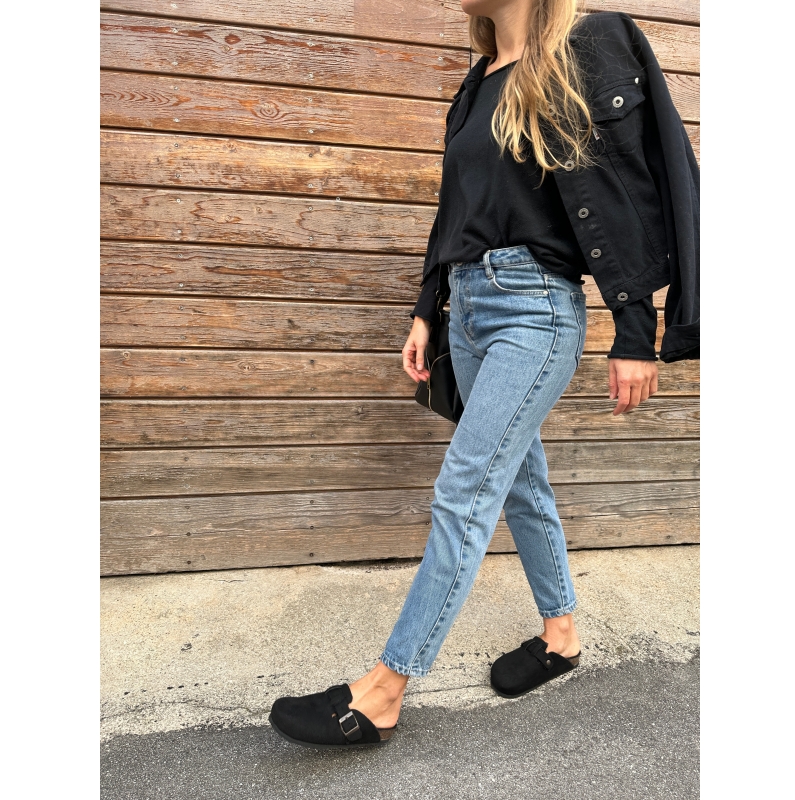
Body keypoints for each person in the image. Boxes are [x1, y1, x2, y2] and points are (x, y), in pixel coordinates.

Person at [269, 0, 699, 748]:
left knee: (464, 490)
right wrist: (426, 309)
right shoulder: (476, 84)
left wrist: (637, 328)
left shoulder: (589, 43)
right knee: (520, 481)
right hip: (466, 307)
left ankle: (383, 692)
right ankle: (561, 635)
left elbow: (631, 182)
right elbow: (454, 211)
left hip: (536, 310)